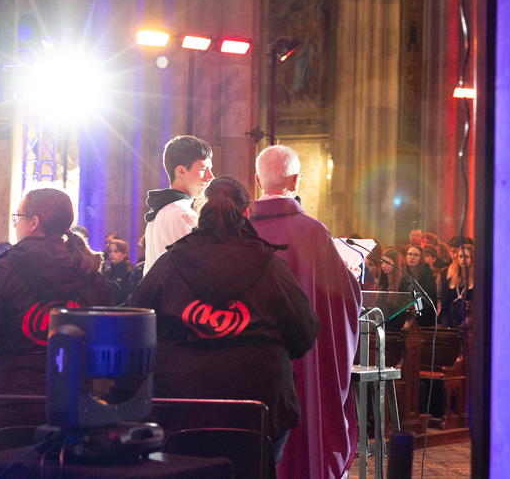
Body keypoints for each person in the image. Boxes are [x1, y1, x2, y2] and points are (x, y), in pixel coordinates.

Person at [130, 176, 320, 465]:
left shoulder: (168, 264)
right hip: (258, 404)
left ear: (201, 212)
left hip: (181, 405)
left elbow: (136, 324)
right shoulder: (271, 267)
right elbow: (303, 333)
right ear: (246, 213)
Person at [0, 187, 111, 441]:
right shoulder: (90, 272)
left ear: (34, 222)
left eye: (17, 217)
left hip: (14, 402)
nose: (15, 224)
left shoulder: (5, 269)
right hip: (74, 400)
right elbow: (103, 345)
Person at [251, 145, 362, 479]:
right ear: (296, 181)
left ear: (257, 180)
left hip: (251, 363)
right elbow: (341, 303)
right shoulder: (312, 232)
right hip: (301, 362)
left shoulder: (239, 230)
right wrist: (350, 276)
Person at [143, 135, 214, 272]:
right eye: (203, 170)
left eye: (210, 169)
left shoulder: (160, 211)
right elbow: (198, 269)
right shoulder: (182, 214)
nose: (210, 177)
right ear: (181, 171)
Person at [439, 243, 474, 328]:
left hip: (470, 327)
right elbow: (444, 308)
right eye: (460, 256)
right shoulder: (450, 281)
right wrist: (446, 325)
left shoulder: (478, 282)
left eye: (466, 257)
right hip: (452, 325)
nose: (462, 259)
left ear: (472, 258)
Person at [102, 238, 136, 305]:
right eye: (110, 251)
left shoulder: (129, 271)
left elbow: (128, 295)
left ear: (124, 254)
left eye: (116, 251)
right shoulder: (107, 272)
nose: (112, 254)